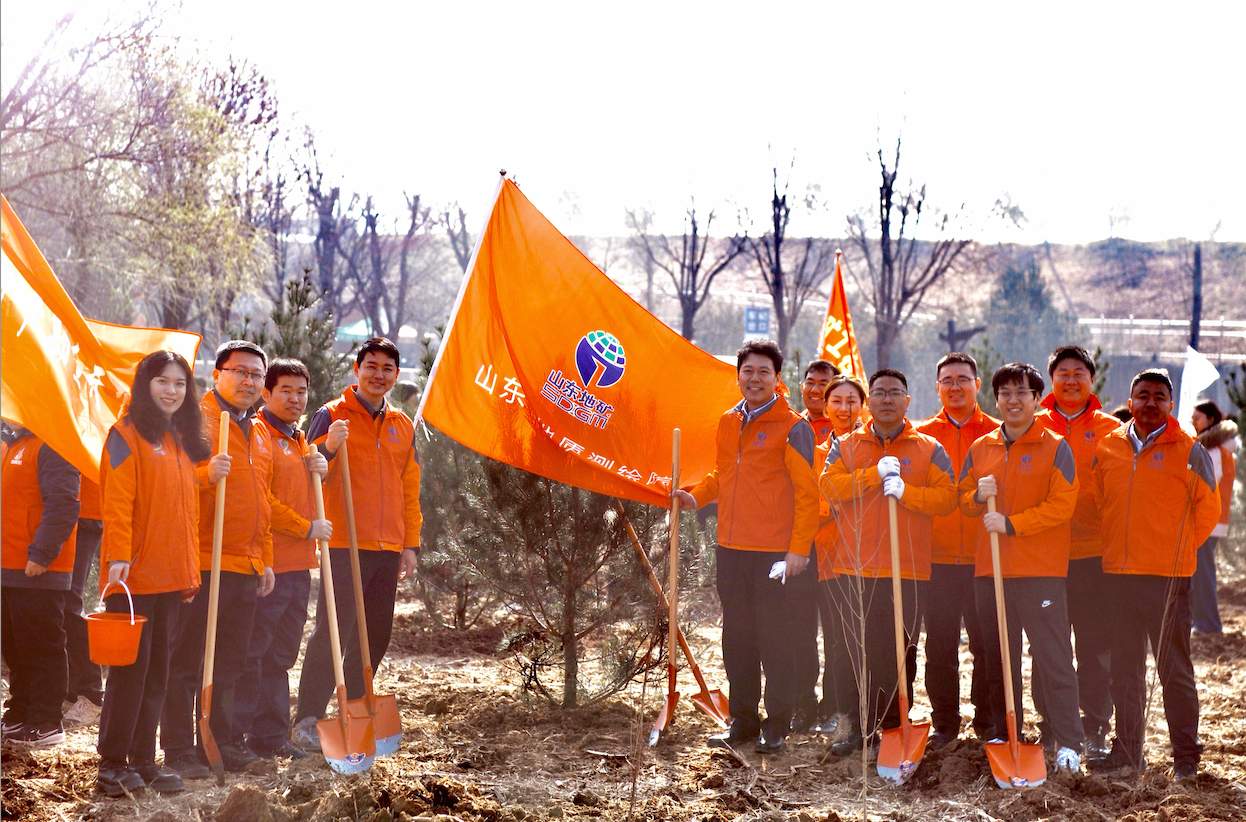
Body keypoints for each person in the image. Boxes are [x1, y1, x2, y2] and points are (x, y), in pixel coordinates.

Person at [162, 340, 325, 778]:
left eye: (256, 374)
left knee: (231, 660)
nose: (250, 380)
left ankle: (225, 741)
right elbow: (165, 485)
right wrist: (203, 475)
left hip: (246, 565)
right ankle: (178, 749)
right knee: (189, 661)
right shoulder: (194, 422)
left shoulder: (255, 430)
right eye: (241, 372)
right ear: (217, 375)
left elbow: (260, 502)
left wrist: (266, 558)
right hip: (202, 560)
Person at [673, 339, 818, 754]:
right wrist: (696, 496)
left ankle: (777, 723)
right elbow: (724, 474)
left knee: (775, 639)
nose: (754, 379)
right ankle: (743, 722)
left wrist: (798, 550)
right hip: (731, 548)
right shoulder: (727, 422)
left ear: (777, 378)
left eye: (763, 372)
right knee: (738, 637)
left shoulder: (794, 427)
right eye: (748, 371)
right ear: (738, 375)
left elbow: (808, 494)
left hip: (774, 554)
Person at [1089, 369, 1221, 781]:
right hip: (1118, 578)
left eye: (1159, 397)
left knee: (1174, 670)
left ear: (1169, 404)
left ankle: (1186, 757)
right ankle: (1127, 751)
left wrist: (1175, 553)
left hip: (1167, 579)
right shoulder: (1108, 446)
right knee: (1125, 668)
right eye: (1142, 395)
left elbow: (1209, 510)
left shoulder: (1188, 448)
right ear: (1130, 402)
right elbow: (1098, 503)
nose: (1150, 403)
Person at [292, 337, 422, 750]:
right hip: (346, 542)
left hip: (387, 546)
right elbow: (306, 471)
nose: (378, 374)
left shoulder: (403, 425)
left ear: (396, 375)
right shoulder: (331, 415)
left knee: (377, 634)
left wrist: (410, 544)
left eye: (387, 368)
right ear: (357, 368)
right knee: (335, 631)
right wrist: (329, 448)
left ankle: (356, 708)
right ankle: (308, 716)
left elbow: (410, 488)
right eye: (371, 366)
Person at [820, 368, 957, 756]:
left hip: (907, 569)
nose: (886, 399)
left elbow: (947, 498)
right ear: (870, 400)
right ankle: (853, 726)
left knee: (898, 654)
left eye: (894, 392)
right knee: (851, 651)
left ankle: (894, 725)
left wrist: (908, 492)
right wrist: (869, 476)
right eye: (878, 392)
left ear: (907, 400)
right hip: (854, 567)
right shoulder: (844, 446)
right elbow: (828, 487)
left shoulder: (929, 448)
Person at [95, 351, 210, 797]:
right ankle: (112, 764)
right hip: (134, 578)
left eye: (180, 383)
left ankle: (143, 760)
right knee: (129, 675)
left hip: (170, 578)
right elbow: (118, 502)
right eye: (162, 381)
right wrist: (118, 558)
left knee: (157, 674)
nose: (171, 390)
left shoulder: (178, 438)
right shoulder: (124, 435)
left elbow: (181, 512)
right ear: (145, 385)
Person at [959, 362, 1083, 773]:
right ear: (995, 399)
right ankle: (1001, 732)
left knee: (1053, 657)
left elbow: (1062, 506)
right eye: (1006, 394)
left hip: (1040, 571)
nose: (1013, 401)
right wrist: (977, 497)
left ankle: (1068, 741)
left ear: (1036, 399)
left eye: (1022, 393)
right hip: (989, 572)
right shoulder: (981, 448)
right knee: (996, 656)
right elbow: (960, 501)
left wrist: (1012, 525)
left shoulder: (1055, 446)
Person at [235, 359, 334, 759]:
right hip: (270, 564)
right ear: (267, 393)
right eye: (286, 391)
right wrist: (305, 527)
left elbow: (301, 492)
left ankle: (272, 736)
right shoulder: (258, 434)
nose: (295, 399)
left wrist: (321, 468)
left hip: (299, 566)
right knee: (254, 654)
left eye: (301, 392)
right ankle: (238, 737)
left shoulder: (298, 439)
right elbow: (263, 500)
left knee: (280, 656)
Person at [1034, 345, 1121, 757]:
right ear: (1051, 380)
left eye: (1079, 373)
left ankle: (1095, 725)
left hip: (1093, 554)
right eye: (1063, 372)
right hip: (1042, 555)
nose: (1071, 379)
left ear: (1092, 378)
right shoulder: (1032, 426)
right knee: (1047, 646)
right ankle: (1050, 725)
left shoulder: (1110, 430)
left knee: (1093, 645)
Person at [915, 352, 999, 748]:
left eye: (962, 379)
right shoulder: (922, 437)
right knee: (941, 645)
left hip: (987, 557)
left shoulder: (998, 434)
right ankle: (945, 722)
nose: (955, 386)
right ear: (937, 387)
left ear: (977, 384)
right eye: (946, 380)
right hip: (938, 558)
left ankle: (988, 720)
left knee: (987, 645)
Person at [1, 426, 81, 749]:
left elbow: (63, 505)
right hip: (10, 566)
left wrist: (42, 554)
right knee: (15, 645)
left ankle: (46, 720)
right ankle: (21, 710)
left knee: (41, 644)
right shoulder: (15, 445)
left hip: (38, 569)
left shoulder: (52, 444)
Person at [812, 375, 866, 736]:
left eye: (851, 401)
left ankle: (865, 709)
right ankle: (833, 706)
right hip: (830, 557)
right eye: (837, 402)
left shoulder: (874, 448)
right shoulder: (816, 452)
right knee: (836, 637)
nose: (844, 409)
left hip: (870, 556)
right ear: (825, 407)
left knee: (865, 638)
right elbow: (815, 501)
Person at [790, 359, 840, 732]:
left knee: (838, 632)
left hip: (838, 548)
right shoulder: (792, 427)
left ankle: (834, 705)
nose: (816, 389)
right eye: (810, 381)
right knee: (799, 630)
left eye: (825, 383)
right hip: (799, 545)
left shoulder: (850, 431)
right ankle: (802, 704)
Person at [1190, 399, 1238, 635]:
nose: (1193, 421)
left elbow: (1206, 485)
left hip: (1209, 520)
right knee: (1199, 573)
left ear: (1210, 420)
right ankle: (1200, 621)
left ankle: (1208, 623)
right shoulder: (1217, 448)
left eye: (1197, 417)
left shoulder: (1213, 450)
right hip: (1213, 521)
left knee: (1203, 574)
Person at [63, 477, 105, 726]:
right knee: (59, 602)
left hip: (85, 514)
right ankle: (70, 688)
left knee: (70, 601)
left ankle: (91, 693)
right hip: (58, 509)